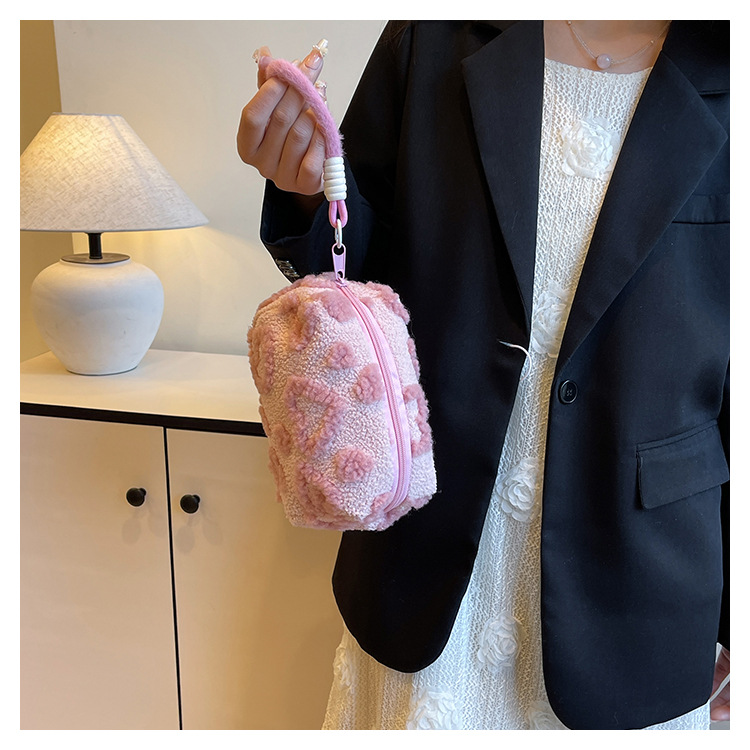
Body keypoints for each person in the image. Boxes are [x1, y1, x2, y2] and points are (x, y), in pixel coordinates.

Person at [237, 20, 729, 730]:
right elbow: (358, 265)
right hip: (429, 575)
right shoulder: (437, 34)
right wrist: (311, 190)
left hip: (639, 592)